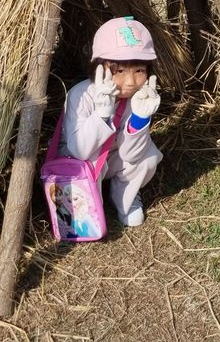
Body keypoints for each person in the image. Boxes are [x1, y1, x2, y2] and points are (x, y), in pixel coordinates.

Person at [61, 17, 162, 228]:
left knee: (149, 155)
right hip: (82, 160)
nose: (131, 82)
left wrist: (140, 119)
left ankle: (124, 196)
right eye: (120, 71)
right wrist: (102, 116)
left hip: (114, 157)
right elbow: (80, 151)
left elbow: (131, 155)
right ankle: (89, 205)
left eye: (139, 70)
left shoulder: (139, 98)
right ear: (101, 67)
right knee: (92, 156)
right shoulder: (81, 95)